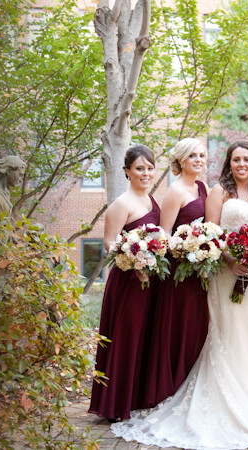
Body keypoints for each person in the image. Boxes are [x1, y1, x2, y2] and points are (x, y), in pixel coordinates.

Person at [112, 141, 248, 449]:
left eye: (246, 159)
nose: (241, 164)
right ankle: (224, 396)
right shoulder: (219, 191)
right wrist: (232, 259)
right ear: (229, 163)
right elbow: (212, 231)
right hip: (226, 271)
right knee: (228, 328)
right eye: (235, 159)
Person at [88, 145, 161, 421]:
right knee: (127, 337)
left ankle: (137, 397)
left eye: (150, 168)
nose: (146, 173)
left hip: (150, 281)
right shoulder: (121, 204)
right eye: (140, 168)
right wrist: (135, 260)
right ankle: (116, 404)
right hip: (129, 281)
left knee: (144, 335)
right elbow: (110, 244)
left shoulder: (154, 202)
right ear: (128, 171)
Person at [142, 138, 210, 408]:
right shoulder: (175, 191)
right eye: (192, 156)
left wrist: (206, 249)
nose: (198, 160)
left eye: (202, 155)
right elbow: (164, 235)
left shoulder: (203, 187)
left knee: (196, 329)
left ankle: (190, 388)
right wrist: (184, 248)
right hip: (178, 274)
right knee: (178, 326)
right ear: (181, 160)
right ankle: (169, 390)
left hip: (200, 271)